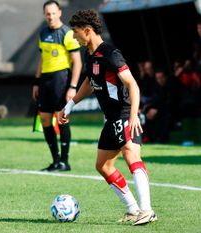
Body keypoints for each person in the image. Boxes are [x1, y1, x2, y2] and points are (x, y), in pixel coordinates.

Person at [59, 9, 156, 225]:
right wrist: (70, 104)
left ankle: (147, 210)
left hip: (123, 113)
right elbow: (89, 81)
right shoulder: (90, 54)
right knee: (103, 166)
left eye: (76, 32)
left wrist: (132, 117)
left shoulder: (111, 54)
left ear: (87, 30)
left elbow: (133, 85)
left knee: (131, 155)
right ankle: (133, 209)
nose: (74, 36)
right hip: (111, 119)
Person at [32, 0, 82, 171]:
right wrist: (36, 82)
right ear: (44, 15)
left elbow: (78, 62)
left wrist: (73, 87)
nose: (51, 16)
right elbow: (41, 59)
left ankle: (65, 162)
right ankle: (55, 160)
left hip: (61, 80)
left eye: (53, 13)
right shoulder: (43, 33)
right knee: (45, 119)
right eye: (47, 14)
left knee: (62, 119)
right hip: (45, 81)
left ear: (59, 13)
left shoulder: (68, 34)